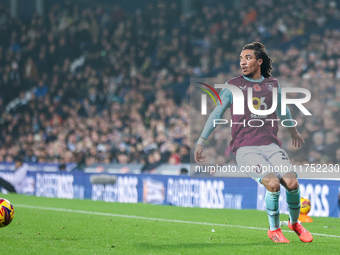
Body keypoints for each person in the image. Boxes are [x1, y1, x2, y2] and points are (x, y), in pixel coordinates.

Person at [194, 42, 313, 243]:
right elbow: (217, 113)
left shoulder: (272, 84)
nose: (242, 62)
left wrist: (293, 130)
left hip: (271, 145)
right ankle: (274, 229)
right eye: (241, 58)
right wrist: (200, 140)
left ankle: (294, 223)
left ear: (259, 61)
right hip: (245, 147)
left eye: (247, 58)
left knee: (292, 183)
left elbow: (283, 110)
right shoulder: (233, 86)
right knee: (273, 184)